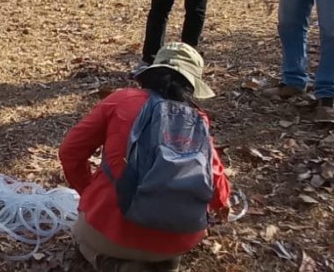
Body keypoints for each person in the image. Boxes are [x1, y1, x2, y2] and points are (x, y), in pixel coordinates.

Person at [60, 43, 231, 272]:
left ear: (151, 74)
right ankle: (165, 260)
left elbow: (70, 152)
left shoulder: (121, 100)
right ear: (192, 85)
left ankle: (112, 262)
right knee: (166, 250)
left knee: (82, 234)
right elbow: (215, 176)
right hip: (180, 236)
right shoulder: (197, 119)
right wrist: (221, 205)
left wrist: (88, 193)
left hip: (109, 227)